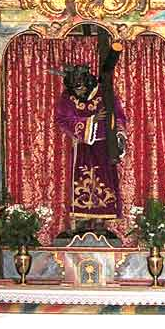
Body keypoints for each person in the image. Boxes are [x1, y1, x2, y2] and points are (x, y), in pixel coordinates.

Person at [55, 63, 126, 221]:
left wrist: (119, 135)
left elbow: (118, 116)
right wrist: (91, 120)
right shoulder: (67, 97)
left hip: (104, 146)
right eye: (74, 88)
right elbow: (63, 119)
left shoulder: (104, 94)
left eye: (80, 87)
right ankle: (82, 220)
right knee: (82, 181)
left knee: (104, 181)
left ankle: (103, 219)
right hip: (82, 147)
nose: (78, 91)